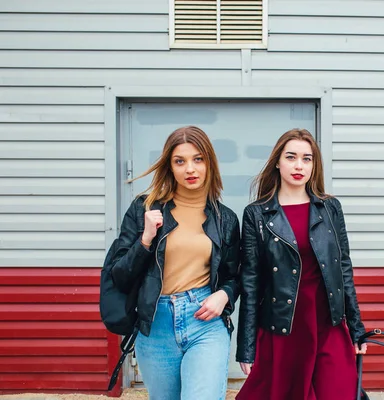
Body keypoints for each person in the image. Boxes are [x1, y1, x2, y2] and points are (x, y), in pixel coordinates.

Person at [105, 126, 240, 400]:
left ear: (209, 163)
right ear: (170, 166)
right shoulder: (144, 209)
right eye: (180, 161)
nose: (190, 169)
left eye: (198, 159)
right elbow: (119, 275)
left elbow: (235, 275)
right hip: (156, 324)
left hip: (204, 320)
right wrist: (145, 240)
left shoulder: (225, 219)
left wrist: (224, 295)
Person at [235, 128, 367, 400]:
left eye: (307, 159)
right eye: (291, 157)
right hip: (283, 327)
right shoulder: (257, 214)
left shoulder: (330, 208)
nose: (299, 166)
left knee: (338, 392)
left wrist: (356, 328)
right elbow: (250, 282)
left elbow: (343, 268)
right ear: (277, 162)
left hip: (328, 323)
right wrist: (246, 347)